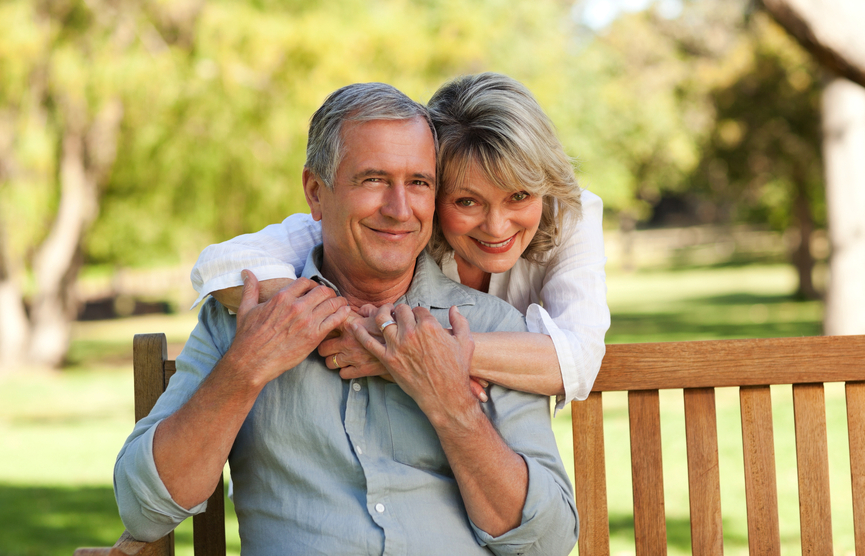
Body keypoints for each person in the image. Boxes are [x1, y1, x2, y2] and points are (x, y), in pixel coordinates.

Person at [114, 82, 577, 555]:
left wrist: (451, 404)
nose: (400, 210)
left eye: (418, 183)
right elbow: (144, 511)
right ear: (316, 192)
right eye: (373, 180)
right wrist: (245, 368)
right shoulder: (245, 319)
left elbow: (548, 543)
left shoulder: (490, 325)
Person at [190, 72, 610, 411]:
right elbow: (224, 264)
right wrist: (350, 325)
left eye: (519, 196)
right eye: (467, 201)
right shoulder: (400, 224)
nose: (497, 226)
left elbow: (579, 358)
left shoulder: (569, 214)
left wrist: (409, 351)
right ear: (432, 188)